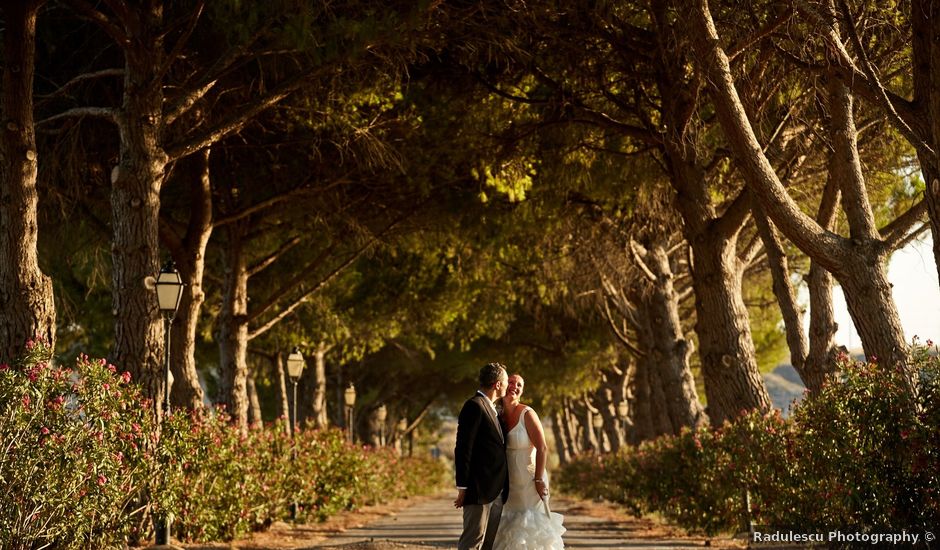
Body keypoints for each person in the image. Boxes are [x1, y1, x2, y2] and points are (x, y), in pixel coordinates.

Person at [493, 373, 566, 550]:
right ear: (501, 385)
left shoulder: (527, 413)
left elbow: (542, 448)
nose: (515, 387)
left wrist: (539, 479)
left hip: (530, 480)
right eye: (511, 382)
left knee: (531, 523)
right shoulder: (497, 415)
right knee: (510, 523)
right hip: (509, 482)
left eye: (519, 385)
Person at [454, 363, 510, 550]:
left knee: (488, 545)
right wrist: (463, 487)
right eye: (506, 381)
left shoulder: (492, 408)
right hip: (478, 491)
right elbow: (463, 449)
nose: (508, 385)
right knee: (472, 542)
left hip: (496, 490)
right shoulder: (474, 406)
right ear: (497, 385)